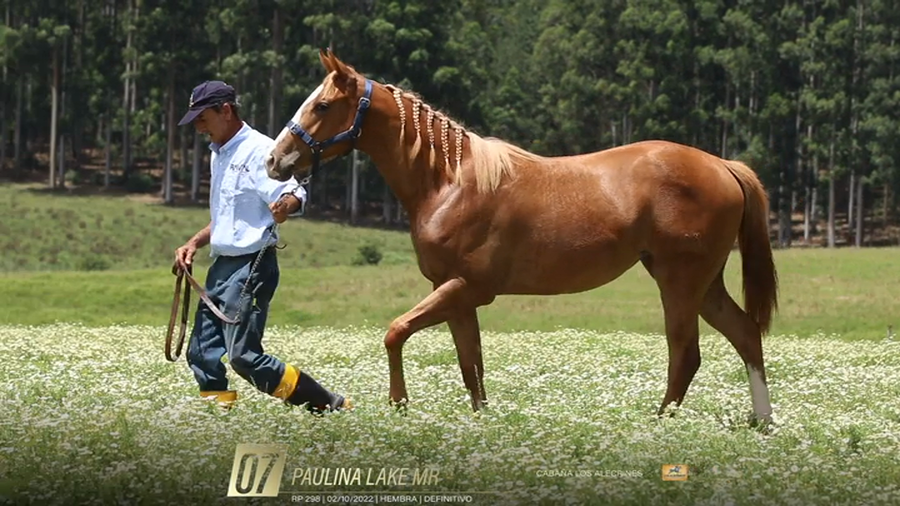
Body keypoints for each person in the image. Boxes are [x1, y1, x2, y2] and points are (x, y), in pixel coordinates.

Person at [174, 80, 350, 414]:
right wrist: (193, 243)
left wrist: (286, 205)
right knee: (200, 351)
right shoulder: (219, 153)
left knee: (244, 357)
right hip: (222, 266)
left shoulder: (260, 150)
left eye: (202, 117)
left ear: (225, 111)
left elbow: (295, 193)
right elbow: (228, 217)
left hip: (251, 266)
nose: (197, 126)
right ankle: (216, 420)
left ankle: (328, 405)